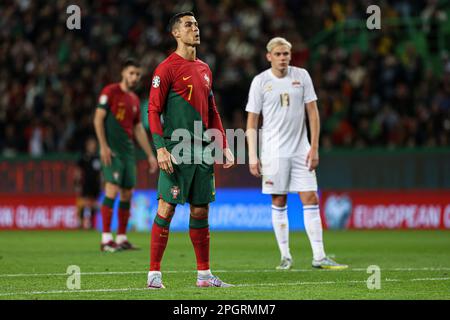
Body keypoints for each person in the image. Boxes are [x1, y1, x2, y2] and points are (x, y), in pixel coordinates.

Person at [147, 12, 235, 289]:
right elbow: (153, 110)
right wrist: (160, 149)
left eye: (197, 24)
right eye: (189, 25)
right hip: (176, 148)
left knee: (201, 212)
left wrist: (223, 144)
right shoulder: (166, 68)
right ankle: (153, 276)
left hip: (203, 151)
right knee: (166, 207)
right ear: (176, 33)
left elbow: (212, 111)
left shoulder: (205, 69)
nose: (195, 29)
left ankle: (204, 276)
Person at [245, 37, 348, 270]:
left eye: (286, 54)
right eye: (278, 54)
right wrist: (252, 155)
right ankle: (285, 256)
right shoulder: (260, 82)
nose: (283, 58)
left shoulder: (301, 76)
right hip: (273, 152)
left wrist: (314, 146)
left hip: (301, 150)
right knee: (279, 200)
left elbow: (313, 113)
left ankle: (319, 257)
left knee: (310, 198)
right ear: (269, 56)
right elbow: (252, 120)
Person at [94, 58, 158, 252]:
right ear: (123, 73)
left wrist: (150, 154)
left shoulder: (134, 99)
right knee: (112, 189)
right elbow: (98, 119)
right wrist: (103, 146)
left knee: (128, 193)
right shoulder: (110, 92)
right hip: (112, 151)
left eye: (138, 74)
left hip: (128, 152)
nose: (135, 77)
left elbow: (138, 128)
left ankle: (121, 238)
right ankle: (106, 239)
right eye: (131, 73)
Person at [74, 137, 102, 230]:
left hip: (95, 185)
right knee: (84, 203)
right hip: (85, 184)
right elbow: (78, 171)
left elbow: (101, 173)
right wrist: (77, 183)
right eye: (91, 144)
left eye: (94, 144)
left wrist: (103, 183)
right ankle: (80, 222)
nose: (92, 146)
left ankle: (91, 223)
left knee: (93, 204)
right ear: (87, 146)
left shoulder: (98, 158)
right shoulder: (83, 157)